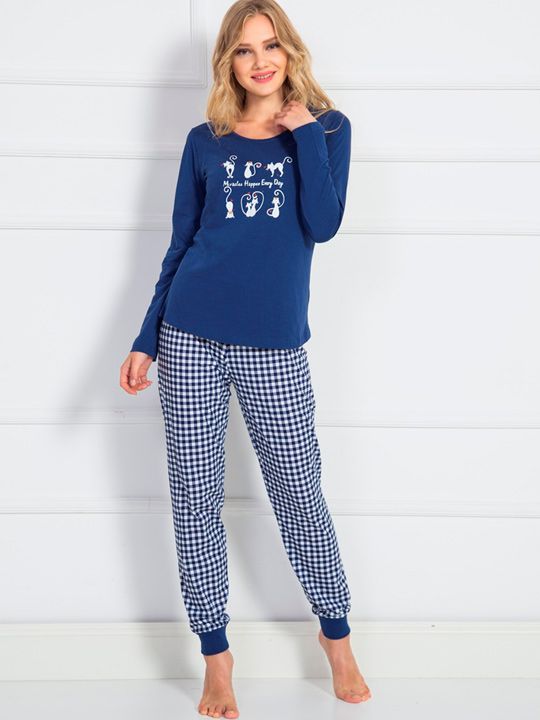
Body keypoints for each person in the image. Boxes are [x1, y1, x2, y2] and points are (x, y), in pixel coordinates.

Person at [120, 1, 372, 716]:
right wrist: (146, 337)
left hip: (274, 345)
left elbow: (323, 224)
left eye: (271, 46)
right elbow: (181, 243)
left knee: (298, 492)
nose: (260, 61)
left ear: (290, 51)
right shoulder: (206, 141)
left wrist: (302, 132)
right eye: (244, 49)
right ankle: (216, 656)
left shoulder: (327, 129)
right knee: (195, 500)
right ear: (227, 61)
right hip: (189, 336)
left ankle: (336, 637)